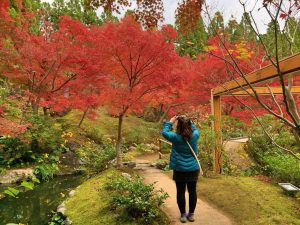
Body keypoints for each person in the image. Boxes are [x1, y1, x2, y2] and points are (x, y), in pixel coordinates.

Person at [162, 115, 200, 223]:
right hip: (193, 168)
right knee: (192, 192)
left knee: (180, 192)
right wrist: (189, 121)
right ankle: (191, 215)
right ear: (189, 125)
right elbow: (195, 128)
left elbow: (164, 132)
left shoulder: (175, 137)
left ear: (178, 126)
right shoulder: (195, 136)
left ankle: (183, 215)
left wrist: (170, 122)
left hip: (179, 168)